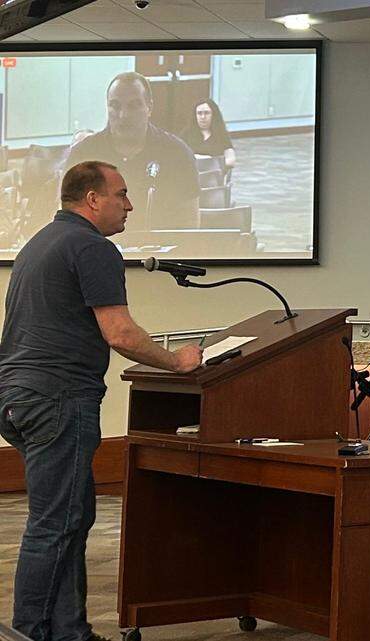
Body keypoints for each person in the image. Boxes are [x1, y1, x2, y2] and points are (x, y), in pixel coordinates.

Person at [0, 161, 203, 641]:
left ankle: (69, 632)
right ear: (92, 198)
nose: (130, 204)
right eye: (122, 194)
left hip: (18, 396)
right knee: (56, 522)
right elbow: (120, 333)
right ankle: (31, 633)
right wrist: (177, 362)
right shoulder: (92, 248)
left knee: (71, 514)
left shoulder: (40, 242)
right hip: (58, 397)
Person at [64, 72, 200, 230]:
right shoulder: (83, 154)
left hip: (159, 252)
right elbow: (68, 220)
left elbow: (189, 224)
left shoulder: (177, 154)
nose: (123, 115)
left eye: (133, 106)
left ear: (149, 108)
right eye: (115, 106)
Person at [180, 98, 236, 171]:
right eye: (199, 113)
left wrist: (210, 162)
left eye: (206, 113)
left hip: (214, 176)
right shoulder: (186, 134)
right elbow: (178, 156)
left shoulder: (221, 135)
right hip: (192, 175)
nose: (203, 117)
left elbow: (231, 160)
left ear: (213, 114)